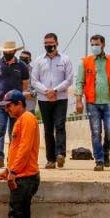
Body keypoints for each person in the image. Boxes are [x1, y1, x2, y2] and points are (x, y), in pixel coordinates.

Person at [0, 90, 40, 218]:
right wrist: (8, 170)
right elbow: (17, 150)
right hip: (23, 175)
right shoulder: (22, 120)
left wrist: (13, 171)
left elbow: (25, 149)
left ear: (19, 103)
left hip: (24, 177)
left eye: (9, 106)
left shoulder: (27, 119)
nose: (7, 110)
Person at [75, 35, 110, 171]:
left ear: (103, 45)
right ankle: (99, 160)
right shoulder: (85, 62)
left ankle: (105, 151)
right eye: (92, 44)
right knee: (96, 132)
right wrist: (78, 100)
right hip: (92, 103)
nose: (94, 47)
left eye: (96, 44)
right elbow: (79, 82)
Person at [31, 33, 74, 169]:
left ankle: (60, 154)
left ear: (57, 43)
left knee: (60, 125)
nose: (48, 45)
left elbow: (69, 79)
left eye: (51, 43)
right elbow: (34, 81)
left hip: (60, 98)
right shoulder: (39, 61)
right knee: (48, 129)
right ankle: (50, 159)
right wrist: (46, 91)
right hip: (44, 99)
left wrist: (55, 90)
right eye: (46, 43)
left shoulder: (65, 59)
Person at [0, 41, 30, 168]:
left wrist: (13, 95)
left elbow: (25, 85)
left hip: (15, 105)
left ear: (15, 51)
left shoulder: (22, 66)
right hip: (0, 104)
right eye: (6, 51)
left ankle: (13, 157)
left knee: (14, 132)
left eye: (10, 51)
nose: (8, 53)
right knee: (0, 129)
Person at [18, 51, 38, 115]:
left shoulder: (34, 72)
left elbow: (39, 88)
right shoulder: (14, 70)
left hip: (29, 107)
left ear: (30, 60)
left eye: (25, 58)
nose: (22, 60)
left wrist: (31, 94)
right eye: (21, 58)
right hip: (16, 108)